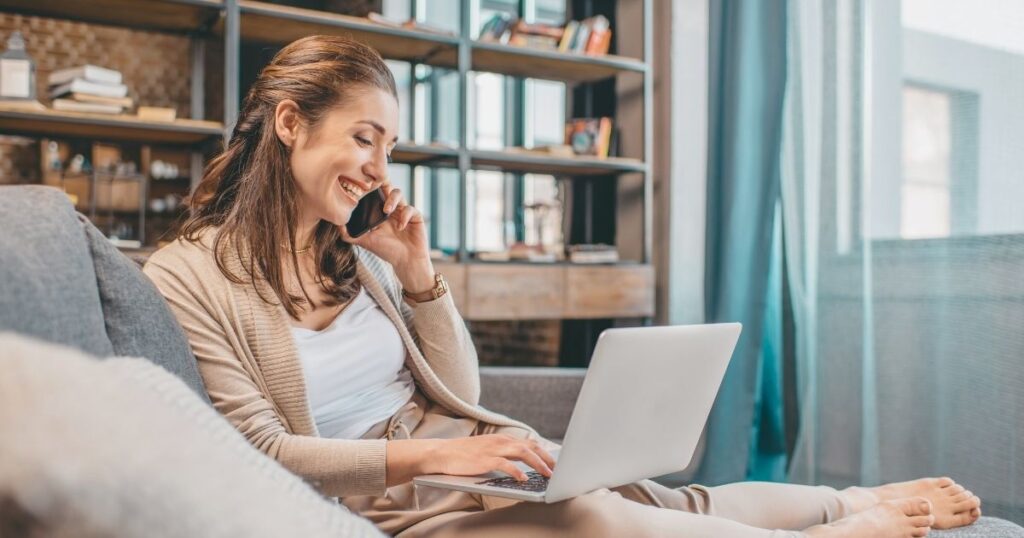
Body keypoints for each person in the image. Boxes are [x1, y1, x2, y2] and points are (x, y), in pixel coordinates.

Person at [143, 35, 981, 538]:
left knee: (662, 498)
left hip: (461, 466)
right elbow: (260, 452)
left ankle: (849, 500)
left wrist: (417, 274)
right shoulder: (188, 276)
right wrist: (445, 454)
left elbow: (460, 393)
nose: (377, 166)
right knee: (593, 519)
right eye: (364, 137)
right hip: (394, 508)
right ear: (291, 124)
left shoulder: (353, 257)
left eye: (389, 148)